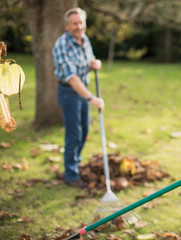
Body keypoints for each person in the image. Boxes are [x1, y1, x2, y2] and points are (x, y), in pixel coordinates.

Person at [53, 7, 104, 189]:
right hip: (69, 93)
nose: (79, 26)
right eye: (74, 23)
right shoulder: (62, 45)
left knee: (84, 132)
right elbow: (72, 78)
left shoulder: (84, 39)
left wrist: (94, 63)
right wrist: (91, 98)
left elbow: (89, 61)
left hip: (83, 90)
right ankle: (71, 174)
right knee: (74, 134)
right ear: (67, 26)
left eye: (81, 22)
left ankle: (74, 163)